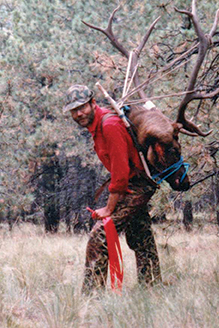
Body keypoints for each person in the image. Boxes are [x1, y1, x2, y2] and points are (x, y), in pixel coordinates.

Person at [63, 84, 162, 291]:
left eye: (82, 107)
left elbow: (121, 173)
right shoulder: (98, 126)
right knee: (140, 236)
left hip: (137, 185)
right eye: (74, 110)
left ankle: (92, 297)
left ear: (93, 103)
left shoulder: (109, 125)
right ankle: (152, 289)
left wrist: (109, 208)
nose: (79, 113)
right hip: (136, 183)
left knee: (99, 237)